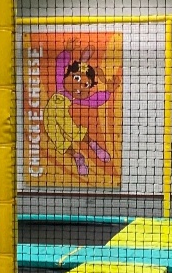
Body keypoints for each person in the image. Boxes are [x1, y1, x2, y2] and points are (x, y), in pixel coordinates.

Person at [42, 49, 118, 177]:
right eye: (76, 78)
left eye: (86, 85)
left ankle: (94, 146)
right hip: (48, 119)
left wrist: (108, 92)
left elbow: (95, 101)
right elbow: (60, 66)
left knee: (74, 132)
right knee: (58, 141)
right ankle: (77, 156)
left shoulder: (75, 98)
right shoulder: (60, 84)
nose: (79, 86)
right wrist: (67, 51)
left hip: (62, 116)